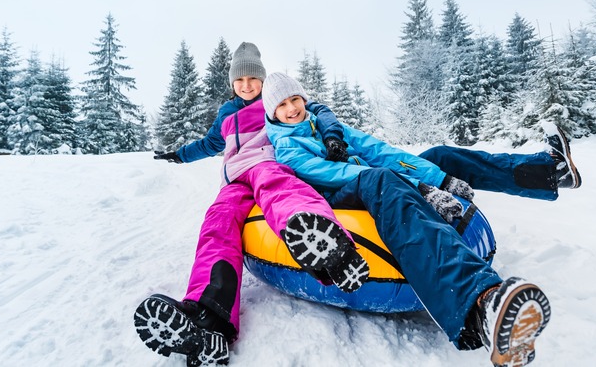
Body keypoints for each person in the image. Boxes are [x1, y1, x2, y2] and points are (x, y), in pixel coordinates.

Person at [262, 71, 566, 367]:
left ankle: (547, 172)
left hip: (376, 177)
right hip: (343, 196)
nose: (291, 108)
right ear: (272, 112)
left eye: (294, 98)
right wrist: (417, 186)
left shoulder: (326, 126)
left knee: (440, 155)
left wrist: (439, 177)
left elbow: (378, 151)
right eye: (282, 104)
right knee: (380, 178)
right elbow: (335, 174)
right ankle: (481, 304)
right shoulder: (287, 147)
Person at [134, 43, 369, 367]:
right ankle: (208, 319)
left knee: (281, 191)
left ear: (261, 79)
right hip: (233, 179)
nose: (246, 85)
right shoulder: (226, 115)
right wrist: (178, 154)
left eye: (252, 79)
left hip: (267, 164)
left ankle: (329, 245)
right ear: (232, 82)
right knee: (217, 225)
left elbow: (318, 110)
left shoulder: (273, 101)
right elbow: (209, 144)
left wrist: (331, 137)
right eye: (240, 79)